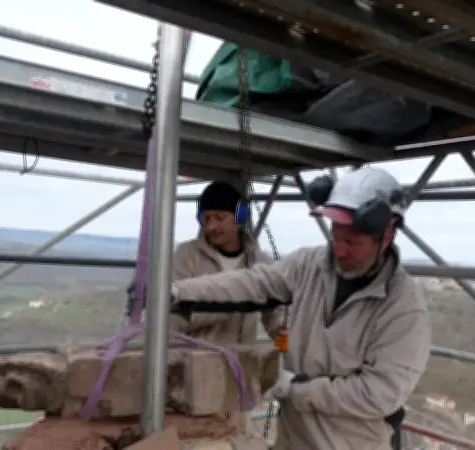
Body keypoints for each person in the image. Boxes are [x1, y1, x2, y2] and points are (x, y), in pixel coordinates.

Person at [169, 167, 432, 450]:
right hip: (293, 439)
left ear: (387, 237)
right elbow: (254, 282)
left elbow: (378, 394)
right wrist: (177, 291)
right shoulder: (310, 265)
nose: (340, 250)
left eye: (353, 242)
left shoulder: (404, 307)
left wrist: (295, 390)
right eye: (336, 236)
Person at [170, 180, 283, 345]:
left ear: (240, 216)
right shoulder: (187, 255)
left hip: (242, 365)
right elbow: (174, 317)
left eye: (220, 218)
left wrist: (286, 341)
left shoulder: (259, 262)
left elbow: (274, 314)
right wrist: (227, 302)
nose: (211, 226)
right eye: (206, 219)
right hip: (196, 364)